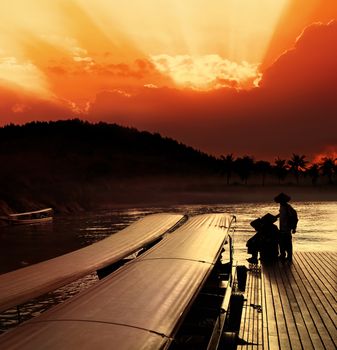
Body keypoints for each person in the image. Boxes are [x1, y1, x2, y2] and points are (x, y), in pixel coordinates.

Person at [274, 192, 298, 262]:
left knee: (287, 243)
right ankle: (283, 255)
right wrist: (276, 216)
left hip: (286, 229)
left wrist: (294, 228)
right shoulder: (282, 207)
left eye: (281, 201)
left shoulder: (288, 208)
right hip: (282, 228)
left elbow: (294, 217)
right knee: (281, 242)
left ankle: (289, 257)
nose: (280, 203)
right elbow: (281, 214)